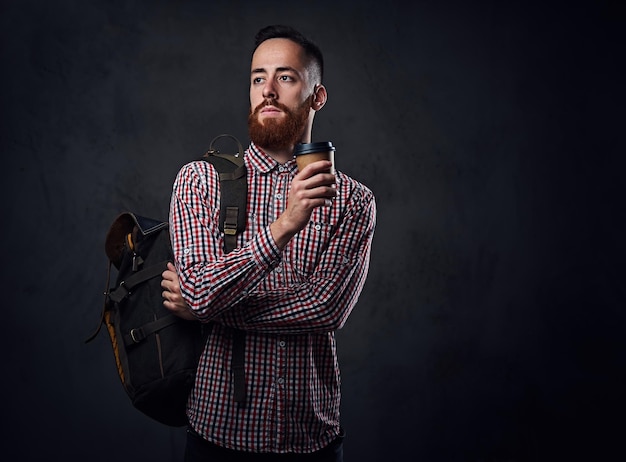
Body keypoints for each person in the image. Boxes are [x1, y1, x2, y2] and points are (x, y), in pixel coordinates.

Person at [161, 24, 376, 462]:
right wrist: (285, 225)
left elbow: (325, 309)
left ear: (317, 97)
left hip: (312, 439)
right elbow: (201, 293)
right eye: (259, 77)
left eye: (286, 77)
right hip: (217, 436)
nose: (269, 91)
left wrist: (212, 307)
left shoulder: (354, 200)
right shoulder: (200, 181)